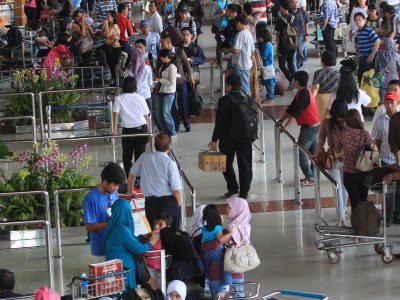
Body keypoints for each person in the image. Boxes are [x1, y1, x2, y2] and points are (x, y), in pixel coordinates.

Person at [208, 75, 253, 199]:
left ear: (229, 86)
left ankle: (233, 187)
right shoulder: (247, 100)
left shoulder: (223, 101)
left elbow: (219, 123)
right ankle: (244, 192)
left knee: (226, 164)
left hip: (227, 139)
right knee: (245, 165)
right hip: (245, 138)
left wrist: (214, 140)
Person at [127, 133, 183, 231]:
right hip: (168, 203)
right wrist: (177, 207)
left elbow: (132, 173)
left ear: (154, 145)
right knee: (172, 237)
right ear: (169, 147)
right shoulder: (170, 164)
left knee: (156, 236)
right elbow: (176, 191)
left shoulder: (144, 157)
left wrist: (130, 190)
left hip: (150, 204)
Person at [276, 71, 320, 187]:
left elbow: (296, 112)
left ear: (296, 81)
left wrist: (287, 126)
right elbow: (291, 108)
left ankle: (310, 178)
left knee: (300, 152)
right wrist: (281, 120)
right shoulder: (301, 92)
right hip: (313, 126)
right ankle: (313, 175)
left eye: (293, 79)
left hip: (310, 128)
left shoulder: (304, 94)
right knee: (313, 152)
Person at [105, 198, 158, 288]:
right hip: (123, 270)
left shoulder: (115, 226)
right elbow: (138, 249)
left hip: (117, 269)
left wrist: (144, 236)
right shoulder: (122, 229)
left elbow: (129, 240)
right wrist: (151, 242)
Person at [315, 99, 348, 226]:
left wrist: (317, 153)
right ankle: (341, 217)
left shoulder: (328, 123)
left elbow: (321, 139)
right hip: (339, 161)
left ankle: (342, 214)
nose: (340, 118)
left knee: (341, 188)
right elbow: (321, 139)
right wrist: (317, 154)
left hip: (336, 159)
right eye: (338, 115)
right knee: (339, 188)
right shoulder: (346, 123)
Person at [83, 162, 126, 261]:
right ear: (105, 181)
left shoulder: (114, 193)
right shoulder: (91, 198)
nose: (116, 189)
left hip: (116, 245)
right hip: (101, 248)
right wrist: (111, 223)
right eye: (114, 185)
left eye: (118, 186)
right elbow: (89, 227)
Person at [371, 91, 400, 226]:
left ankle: (397, 215)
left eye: (392, 102)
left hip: (397, 161)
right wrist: (374, 159)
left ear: (397, 103)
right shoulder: (381, 120)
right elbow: (376, 140)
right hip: (387, 159)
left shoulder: (398, 119)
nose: (389, 105)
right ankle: (388, 217)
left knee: (397, 189)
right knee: (389, 190)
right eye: (387, 102)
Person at [112, 76, 150, 177]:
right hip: (142, 129)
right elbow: (146, 116)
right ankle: (139, 178)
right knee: (140, 156)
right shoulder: (140, 97)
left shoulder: (118, 99)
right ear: (135, 86)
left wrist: (114, 131)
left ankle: (129, 178)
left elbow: (115, 115)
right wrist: (149, 132)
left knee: (127, 156)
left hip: (128, 131)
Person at [339, 109, 376, 211]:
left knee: (354, 201)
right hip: (364, 172)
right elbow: (375, 149)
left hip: (349, 174)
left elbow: (339, 152)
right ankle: (364, 224)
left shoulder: (343, 134)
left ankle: (356, 224)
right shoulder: (364, 133)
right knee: (363, 199)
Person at [158, 34, 194, 133]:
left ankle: (187, 123)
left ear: (168, 43)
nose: (161, 45)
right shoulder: (162, 54)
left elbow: (186, 64)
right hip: (169, 84)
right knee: (172, 106)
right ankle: (175, 126)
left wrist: (191, 77)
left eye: (162, 43)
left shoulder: (179, 51)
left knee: (183, 103)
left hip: (180, 82)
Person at [201, 204, 233, 299]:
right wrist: (231, 232)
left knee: (208, 267)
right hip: (216, 252)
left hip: (206, 252)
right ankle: (226, 285)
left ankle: (206, 283)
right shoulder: (217, 227)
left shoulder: (204, 228)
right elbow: (221, 239)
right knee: (226, 266)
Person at [222, 15, 254, 95]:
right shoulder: (249, 33)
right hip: (247, 63)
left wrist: (226, 49)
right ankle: (247, 103)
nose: (236, 27)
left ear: (239, 23)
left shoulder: (241, 34)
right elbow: (252, 49)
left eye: (236, 24)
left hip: (241, 64)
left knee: (243, 87)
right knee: (245, 85)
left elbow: (236, 50)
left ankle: (246, 104)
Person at [154, 49, 178, 137]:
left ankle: (172, 132)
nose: (160, 59)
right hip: (160, 91)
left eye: (162, 57)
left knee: (166, 113)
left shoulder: (172, 67)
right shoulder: (163, 66)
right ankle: (164, 131)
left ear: (167, 57)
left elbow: (172, 82)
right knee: (158, 113)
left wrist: (160, 80)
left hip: (168, 93)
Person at [311, 51, 340, 121]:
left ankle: (323, 131)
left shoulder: (318, 73)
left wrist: (311, 99)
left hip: (321, 99)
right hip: (333, 98)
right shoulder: (337, 73)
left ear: (323, 61)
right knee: (332, 119)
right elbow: (339, 87)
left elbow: (316, 88)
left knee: (323, 120)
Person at [354, 12, 380, 85]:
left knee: (368, 79)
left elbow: (377, 41)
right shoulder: (358, 31)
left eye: (360, 19)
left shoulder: (368, 29)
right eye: (356, 20)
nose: (358, 21)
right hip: (363, 57)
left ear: (364, 20)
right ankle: (362, 94)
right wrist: (358, 55)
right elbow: (361, 46)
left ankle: (368, 95)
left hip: (370, 58)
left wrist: (371, 55)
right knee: (361, 77)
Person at [275, 0, 296, 85]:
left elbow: (278, 35)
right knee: (290, 63)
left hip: (284, 45)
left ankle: (292, 80)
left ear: (282, 7)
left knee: (282, 65)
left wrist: (277, 45)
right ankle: (296, 82)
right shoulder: (293, 17)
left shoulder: (280, 20)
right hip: (293, 43)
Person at [102, 10, 121, 83]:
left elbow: (108, 35)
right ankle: (114, 81)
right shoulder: (109, 26)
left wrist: (106, 26)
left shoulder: (115, 26)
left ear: (113, 18)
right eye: (106, 16)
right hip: (108, 48)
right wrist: (104, 27)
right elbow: (103, 35)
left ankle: (118, 81)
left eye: (108, 16)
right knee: (110, 65)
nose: (106, 17)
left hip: (115, 49)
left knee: (114, 66)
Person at [289, 0, 309, 69]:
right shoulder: (288, 13)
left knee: (299, 54)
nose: (295, 4)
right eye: (293, 2)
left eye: (296, 2)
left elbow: (306, 23)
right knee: (293, 56)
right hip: (292, 37)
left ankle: (297, 67)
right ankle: (295, 72)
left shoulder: (303, 12)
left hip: (301, 36)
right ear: (290, 3)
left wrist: (306, 34)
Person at [258, 29, 276, 103]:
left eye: (260, 37)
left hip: (268, 67)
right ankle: (269, 95)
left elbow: (264, 56)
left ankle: (270, 98)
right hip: (266, 66)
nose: (259, 39)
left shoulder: (267, 45)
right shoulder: (266, 44)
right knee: (266, 81)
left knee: (269, 83)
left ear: (264, 37)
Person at [117, 3, 134, 67]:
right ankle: (125, 70)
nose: (127, 11)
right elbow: (131, 33)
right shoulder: (126, 20)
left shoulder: (115, 17)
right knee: (130, 55)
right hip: (123, 41)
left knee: (117, 57)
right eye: (127, 10)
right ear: (123, 10)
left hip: (115, 42)